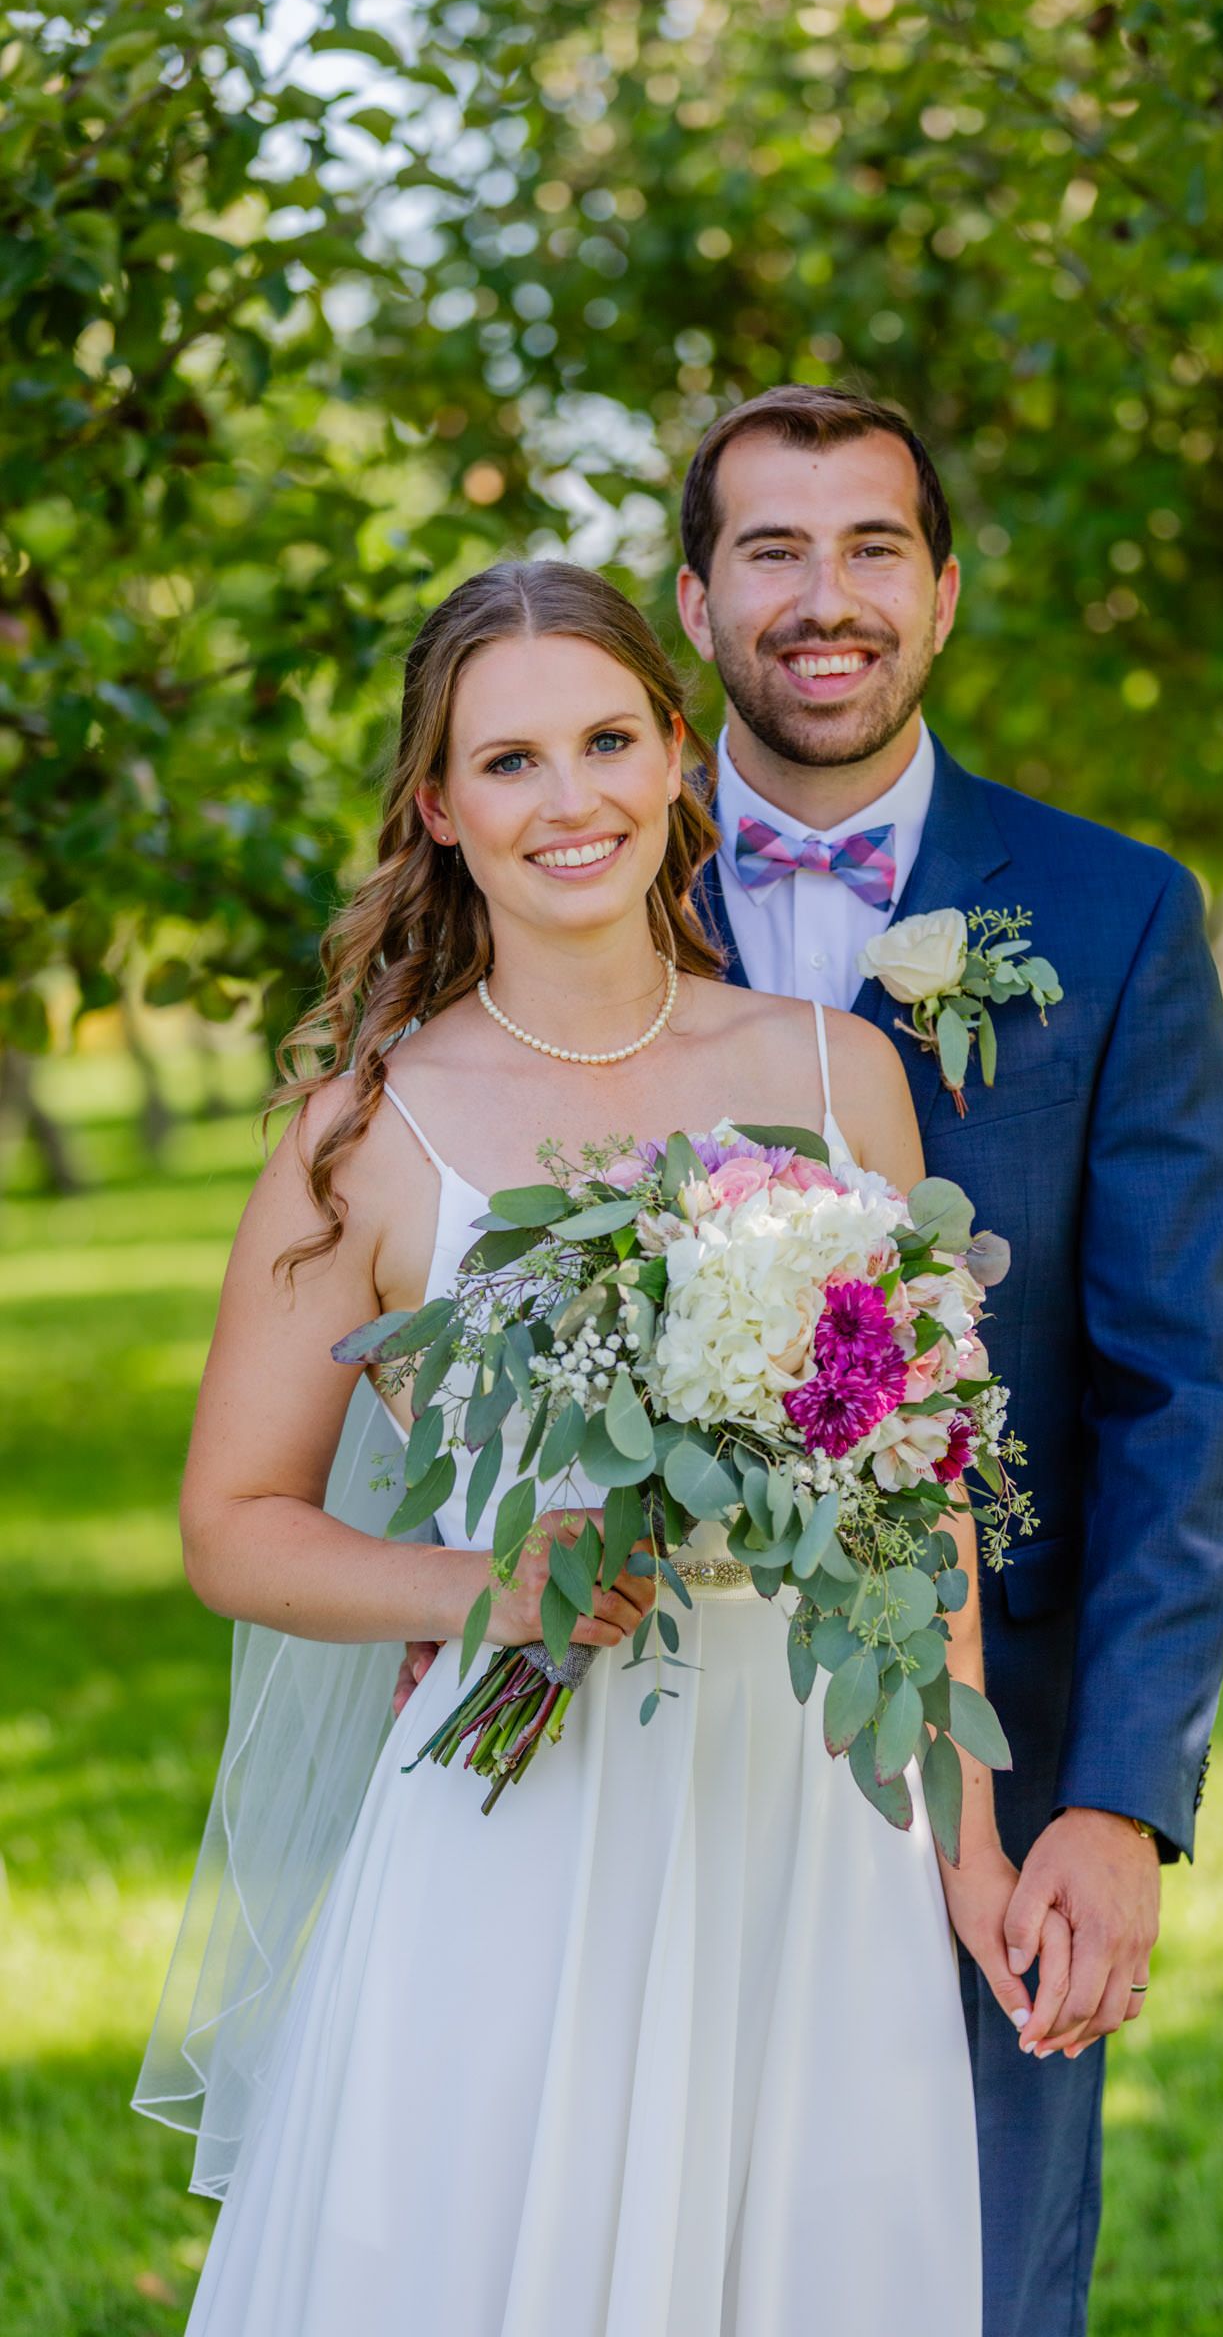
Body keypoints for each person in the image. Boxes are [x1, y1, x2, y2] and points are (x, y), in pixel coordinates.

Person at [399, 388, 1223, 2331]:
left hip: (975, 1720)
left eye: (871, 546)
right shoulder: (571, 854)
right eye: (770, 552)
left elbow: (1187, 1382)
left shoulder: (1112, 912)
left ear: (942, 594)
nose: (826, 598)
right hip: (605, 1707)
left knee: (947, 2267)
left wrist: (1115, 1797)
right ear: (694, 607)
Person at [153, 559, 1031, 2335]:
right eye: (510, 761)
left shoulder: (832, 1069)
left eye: (610, 739)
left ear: (680, 754)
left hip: (809, 1806)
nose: (573, 801)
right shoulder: (367, 1130)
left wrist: (971, 1835)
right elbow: (234, 1525)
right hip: (525, 1793)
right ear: (439, 806)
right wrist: (494, 1577)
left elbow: (921, 1488)